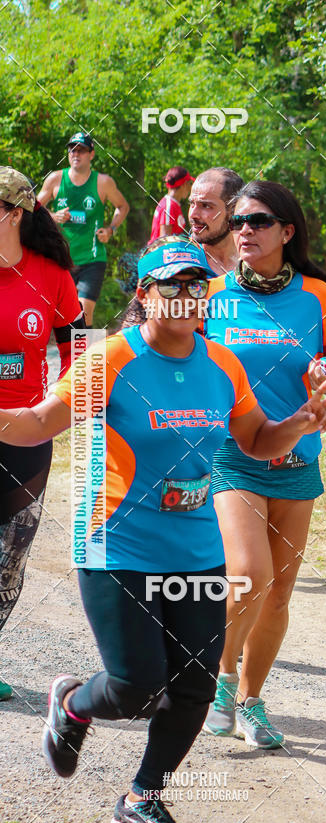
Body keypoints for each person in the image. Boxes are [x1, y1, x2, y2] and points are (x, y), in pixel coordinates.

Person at [0, 236, 326, 823]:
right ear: (145, 294)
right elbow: (34, 425)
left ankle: (142, 801)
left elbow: (258, 442)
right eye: (171, 284)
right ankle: (76, 703)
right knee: (136, 688)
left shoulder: (222, 365)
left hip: (196, 550)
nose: (186, 296)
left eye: (196, 285)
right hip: (117, 545)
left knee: (192, 685)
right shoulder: (110, 359)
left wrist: (303, 420)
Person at [202, 180, 326, 749]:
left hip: (299, 456)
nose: (244, 230)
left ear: (286, 232)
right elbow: (177, 353)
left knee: (279, 595)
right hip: (233, 455)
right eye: (238, 221)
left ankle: (251, 700)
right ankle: (216, 682)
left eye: (259, 221)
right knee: (249, 574)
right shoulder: (211, 295)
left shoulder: (317, 295)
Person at [0, 166, 85, 701]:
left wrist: (61, 403)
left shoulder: (50, 275)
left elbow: (82, 351)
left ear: (12, 213)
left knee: (12, 552)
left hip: (27, 433)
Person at [37, 132, 130, 325]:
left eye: (81, 150)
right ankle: (68, 353)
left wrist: (111, 229)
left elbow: (123, 206)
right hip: (61, 258)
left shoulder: (103, 182)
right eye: (72, 149)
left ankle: (86, 354)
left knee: (84, 312)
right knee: (60, 315)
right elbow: (33, 209)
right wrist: (54, 216)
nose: (75, 154)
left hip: (92, 259)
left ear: (92, 154)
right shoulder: (55, 180)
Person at [188, 167, 243, 277]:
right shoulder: (178, 261)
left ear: (233, 210)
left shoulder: (255, 262)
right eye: (192, 204)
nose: (193, 215)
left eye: (206, 206)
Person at [148, 166, 194, 243]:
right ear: (184, 184)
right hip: (160, 253)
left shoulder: (172, 204)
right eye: (189, 183)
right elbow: (165, 239)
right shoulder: (169, 206)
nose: (190, 187)